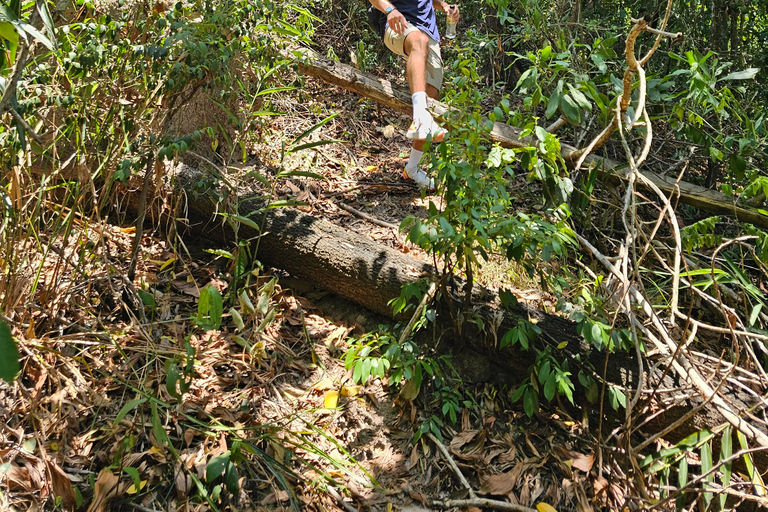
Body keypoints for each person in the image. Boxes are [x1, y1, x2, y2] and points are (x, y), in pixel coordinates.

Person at [368, 0, 460, 190]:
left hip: (429, 31)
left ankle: (412, 168)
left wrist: (443, 6)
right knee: (419, 41)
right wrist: (390, 10)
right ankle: (420, 118)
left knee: (431, 95)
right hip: (398, 21)